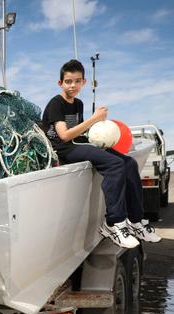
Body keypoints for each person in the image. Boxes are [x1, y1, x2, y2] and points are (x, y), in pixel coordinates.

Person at [41, 59, 161, 248]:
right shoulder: (56, 103)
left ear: (84, 82)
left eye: (77, 81)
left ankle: (136, 221)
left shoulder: (78, 103)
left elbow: (79, 133)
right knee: (114, 164)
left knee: (128, 163)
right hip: (64, 149)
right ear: (60, 83)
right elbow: (63, 136)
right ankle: (113, 223)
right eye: (68, 81)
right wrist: (93, 119)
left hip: (78, 143)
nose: (73, 85)